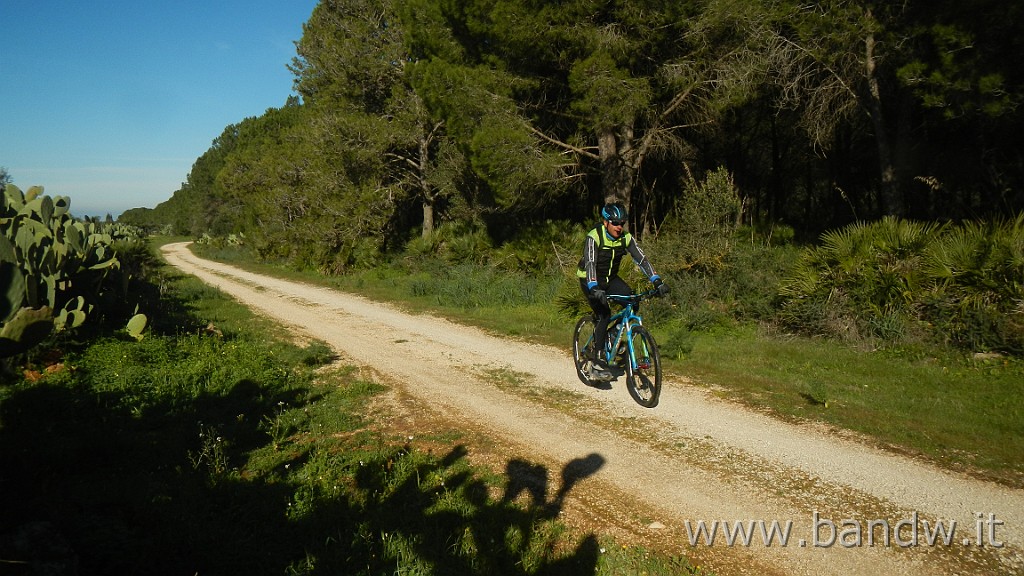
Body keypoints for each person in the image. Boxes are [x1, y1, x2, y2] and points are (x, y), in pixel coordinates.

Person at [577, 202, 668, 380]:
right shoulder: (594, 236)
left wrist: (657, 281)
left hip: (610, 279)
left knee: (633, 301)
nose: (619, 227)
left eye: (622, 223)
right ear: (606, 222)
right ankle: (597, 362)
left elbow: (641, 259)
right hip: (589, 279)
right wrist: (594, 287)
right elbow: (590, 264)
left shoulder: (625, 238)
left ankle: (612, 334)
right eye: (615, 223)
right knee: (604, 314)